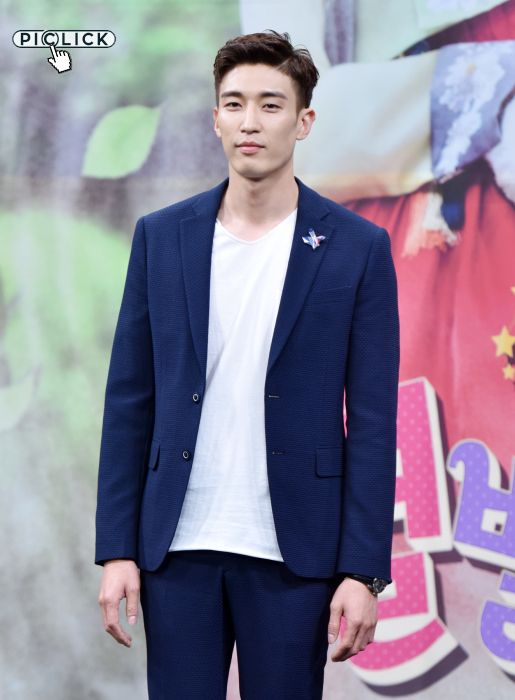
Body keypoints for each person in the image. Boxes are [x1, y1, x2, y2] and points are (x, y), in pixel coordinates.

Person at [95, 30, 400, 700]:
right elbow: (129, 402)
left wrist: (362, 571)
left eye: (270, 104)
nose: (250, 122)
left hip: (296, 553)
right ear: (215, 119)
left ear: (303, 121)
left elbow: (375, 422)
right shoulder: (161, 237)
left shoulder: (357, 247)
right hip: (177, 548)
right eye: (234, 104)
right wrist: (116, 549)